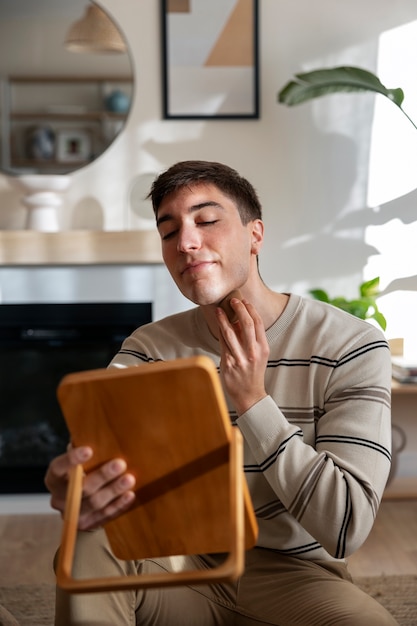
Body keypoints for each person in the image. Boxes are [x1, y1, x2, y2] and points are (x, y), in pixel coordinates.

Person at [45, 160, 396, 625]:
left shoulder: (351, 346)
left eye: (207, 221)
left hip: (294, 576)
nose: (187, 242)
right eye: (169, 232)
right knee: (90, 537)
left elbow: (345, 525)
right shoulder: (149, 348)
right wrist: (73, 487)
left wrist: (253, 401)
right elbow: (96, 461)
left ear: (256, 235)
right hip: (175, 565)